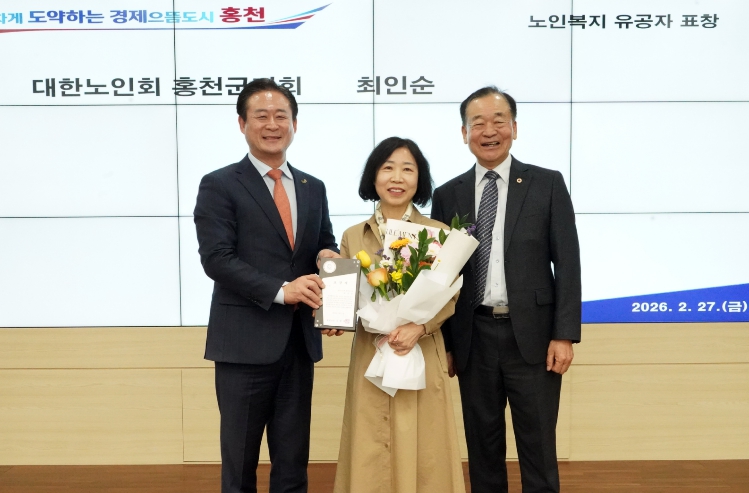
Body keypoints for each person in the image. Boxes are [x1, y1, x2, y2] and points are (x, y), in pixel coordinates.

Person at [431, 87, 581, 493]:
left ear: (514, 127)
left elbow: (568, 263)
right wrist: (448, 343)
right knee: (482, 447)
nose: (488, 131)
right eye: (477, 123)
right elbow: (440, 276)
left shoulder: (547, 184)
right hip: (473, 337)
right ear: (464, 133)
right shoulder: (448, 195)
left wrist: (564, 334)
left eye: (498, 121)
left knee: (538, 446)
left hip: (533, 337)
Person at [193, 78, 340, 493]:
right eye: (261, 116)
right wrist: (282, 290)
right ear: (242, 124)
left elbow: (323, 242)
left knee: (293, 464)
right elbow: (217, 259)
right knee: (239, 466)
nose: (272, 124)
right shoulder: (220, 184)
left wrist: (327, 259)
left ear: (295, 124)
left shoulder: (313, 187)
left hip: (298, 343)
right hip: (243, 345)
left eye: (281, 116)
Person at [330, 137, 466, 493]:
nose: (397, 177)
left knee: (425, 445)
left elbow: (450, 295)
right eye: (387, 168)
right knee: (369, 442)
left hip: (420, 349)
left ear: (419, 180)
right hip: (371, 351)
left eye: (408, 169)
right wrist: (333, 317)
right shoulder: (352, 236)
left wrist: (420, 326)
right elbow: (345, 298)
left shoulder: (439, 233)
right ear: (373, 177)